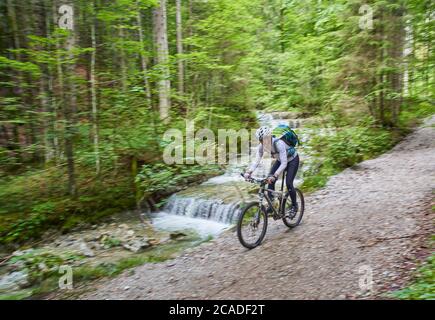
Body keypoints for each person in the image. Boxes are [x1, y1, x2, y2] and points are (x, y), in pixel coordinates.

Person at [244, 126, 300, 215]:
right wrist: (249, 172)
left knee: (289, 183)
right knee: (269, 181)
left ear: (270, 137)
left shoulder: (279, 144)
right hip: (280, 160)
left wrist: (275, 175)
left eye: (265, 139)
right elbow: (256, 161)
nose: (264, 142)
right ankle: (272, 205)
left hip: (292, 160)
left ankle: (294, 206)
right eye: (261, 140)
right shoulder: (261, 147)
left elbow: (284, 163)